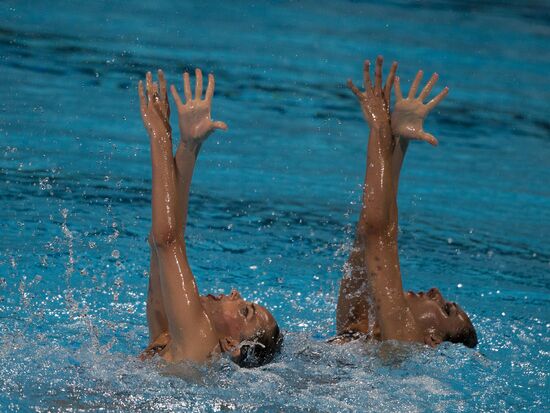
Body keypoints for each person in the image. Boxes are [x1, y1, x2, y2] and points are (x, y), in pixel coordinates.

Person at [138, 68, 282, 366]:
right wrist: (188, 147)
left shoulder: (200, 344)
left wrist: (160, 134)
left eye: (244, 311)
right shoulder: (176, 335)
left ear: (231, 344)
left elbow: (168, 241)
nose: (234, 292)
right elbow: (161, 242)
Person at [335, 56, 477, 348]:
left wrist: (378, 129)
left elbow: (380, 236)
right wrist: (397, 144)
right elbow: (368, 235)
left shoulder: (405, 344)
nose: (437, 291)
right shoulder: (362, 334)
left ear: (432, 339)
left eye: (446, 309)